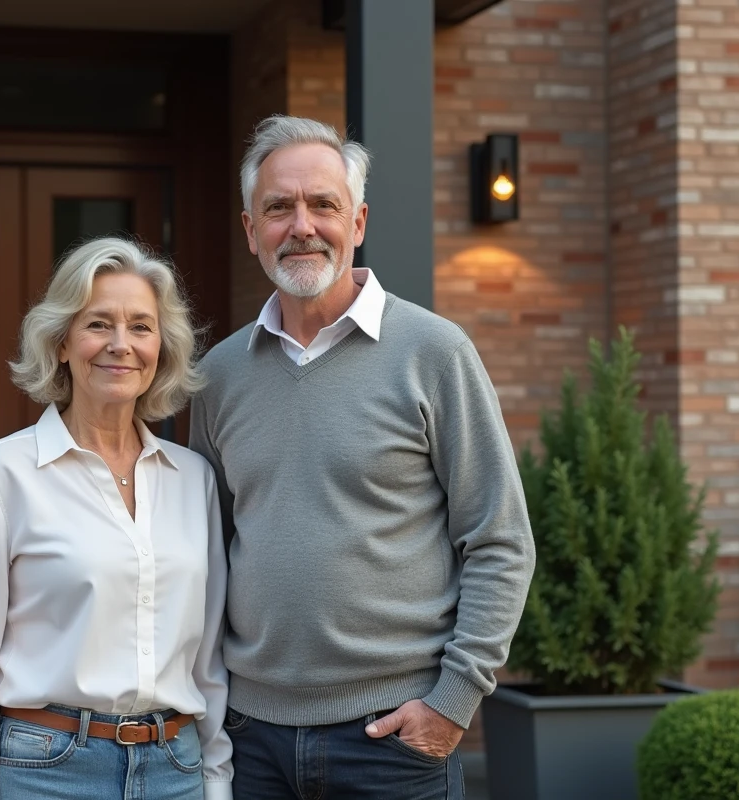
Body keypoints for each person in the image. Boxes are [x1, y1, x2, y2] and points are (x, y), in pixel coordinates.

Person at [188, 115, 536, 799]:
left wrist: (454, 700)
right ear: (250, 229)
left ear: (359, 221)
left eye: (324, 204)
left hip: (393, 740)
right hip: (252, 739)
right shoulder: (219, 375)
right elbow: (204, 545)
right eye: (279, 207)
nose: (303, 225)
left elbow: (500, 539)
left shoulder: (434, 354)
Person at [0, 236, 233, 800]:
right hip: (48, 771)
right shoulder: (1, 474)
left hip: (177, 768)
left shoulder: (193, 479)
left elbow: (207, 656)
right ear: (62, 342)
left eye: (141, 327)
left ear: (161, 351)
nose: (121, 345)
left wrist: (215, 778)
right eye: (99, 324)